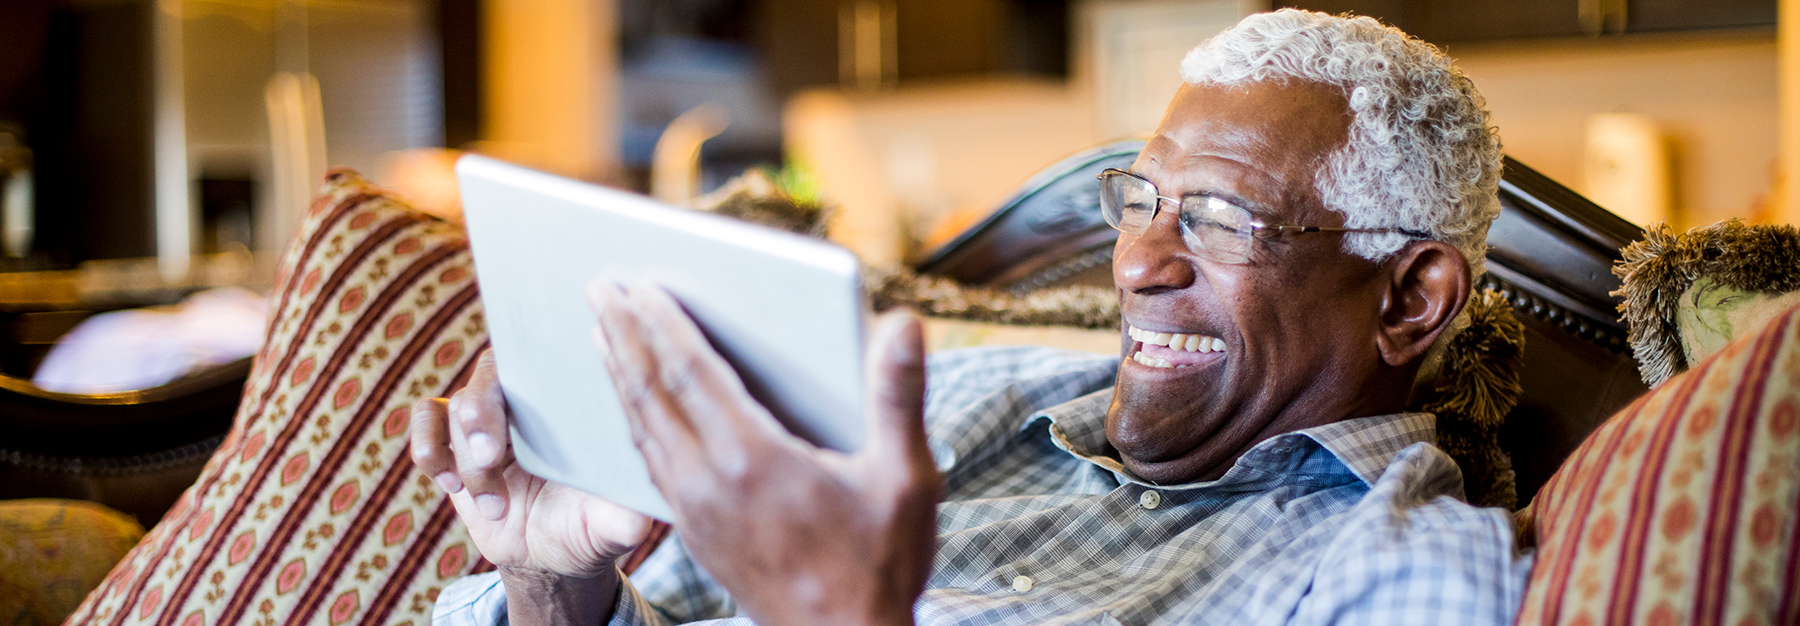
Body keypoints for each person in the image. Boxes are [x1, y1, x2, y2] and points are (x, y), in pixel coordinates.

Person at [416, 9, 1532, 626]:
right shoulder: (958, 397)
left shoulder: (1400, 574)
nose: (1138, 260)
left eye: (1222, 219)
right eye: (1139, 201)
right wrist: (551, 581)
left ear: (1410, 296)